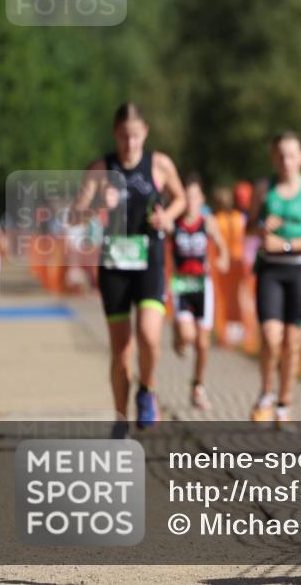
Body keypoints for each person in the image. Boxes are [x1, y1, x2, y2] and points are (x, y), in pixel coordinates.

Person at [72, 102, 186, 433]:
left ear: (145, 133)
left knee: (149, 336)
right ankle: (120, 419)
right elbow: (74, 216)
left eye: (135, 136)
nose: (130, 143)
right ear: (115, 134)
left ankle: (147, 390)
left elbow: (180, 199)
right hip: (114, 266)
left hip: (149, 261)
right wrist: (97, 204)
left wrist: (167, 216)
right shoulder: (100, 169)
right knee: (121, 351)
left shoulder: (160, 164)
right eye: (123, 136)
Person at [246, 132, 301, 429]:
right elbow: (248, 228)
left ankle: (284, 404)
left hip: (298, 270)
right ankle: (265, 394)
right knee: (270, 337)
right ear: (274, 158)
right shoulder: (263, 188)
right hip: (269, 270)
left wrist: (285, 245)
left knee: (291, 342)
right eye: (280, 155)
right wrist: (261, 227)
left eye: (291, 155)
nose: (286, 161)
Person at [169, 175, 229, 409]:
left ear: (201, 199)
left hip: (203, 284)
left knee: (203, 344)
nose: (190, 202)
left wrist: (223, 259)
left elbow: (222, 245)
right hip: (181, 283)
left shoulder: (208, 222)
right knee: (188, 336)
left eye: (194, 197)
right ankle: (178, 334)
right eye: (186, 197)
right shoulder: (174, 222)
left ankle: (198, 387)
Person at [212, 186, 249, 346]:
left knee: (225, 297)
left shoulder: (216, 219)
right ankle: (238, 328)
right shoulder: (240, 218)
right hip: (239, 261)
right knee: (238, 296)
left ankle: (228, 329)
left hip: (224, 263)